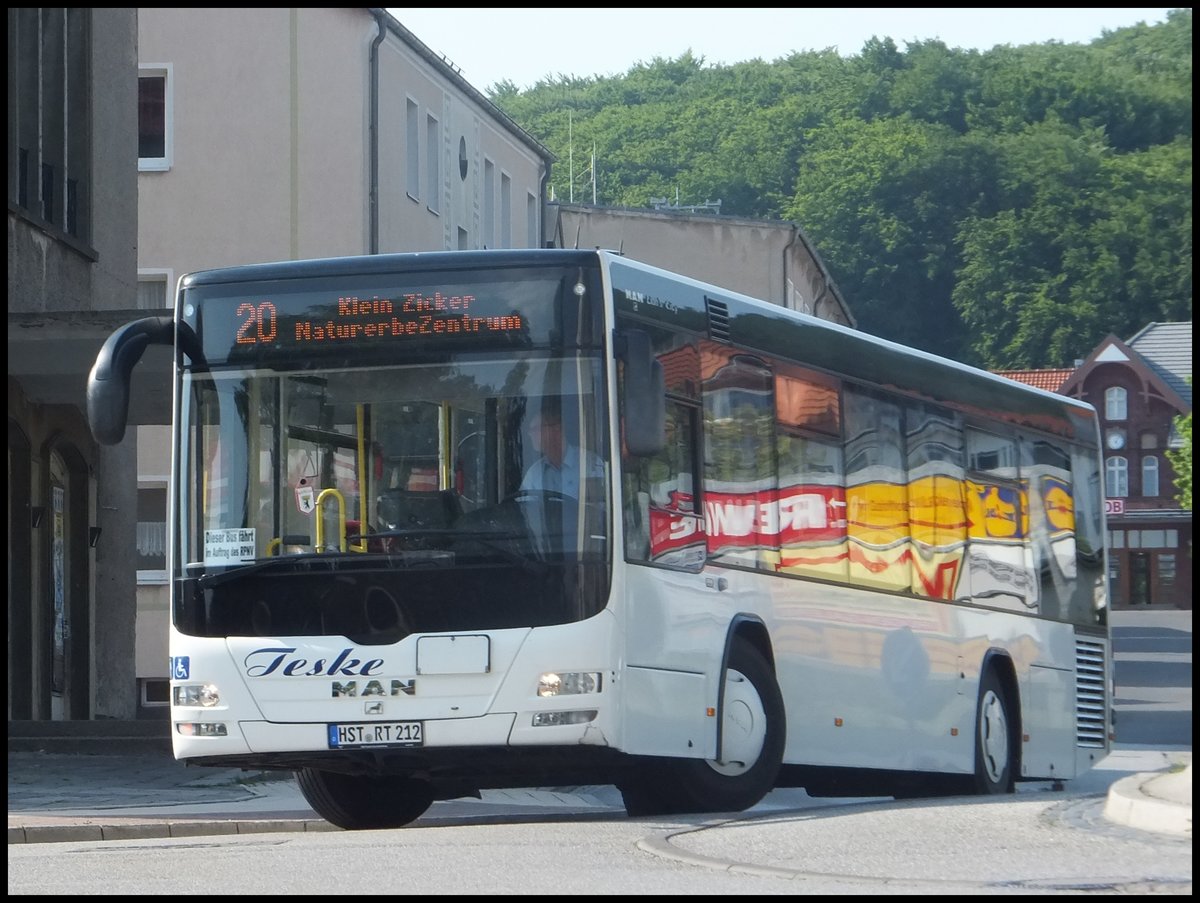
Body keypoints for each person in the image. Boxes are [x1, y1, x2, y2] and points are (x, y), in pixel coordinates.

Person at [520, 400, 603, 497]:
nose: (530, 434)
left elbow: (600, 508)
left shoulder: (590, 465)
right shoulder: (534, 473)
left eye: (535, 429)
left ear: (557, 429)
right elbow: (524, 508)